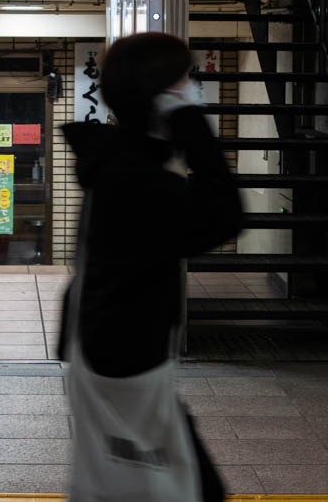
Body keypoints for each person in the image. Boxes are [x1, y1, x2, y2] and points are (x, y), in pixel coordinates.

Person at [59, 32, 243, 502]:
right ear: (161, 95)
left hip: (105, 344)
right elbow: (224, 216)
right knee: (183, 487)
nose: (193, 88)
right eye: (186, 81)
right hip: (127, 355)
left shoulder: (117, 160)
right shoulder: (138, 178)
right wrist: (191, 124)